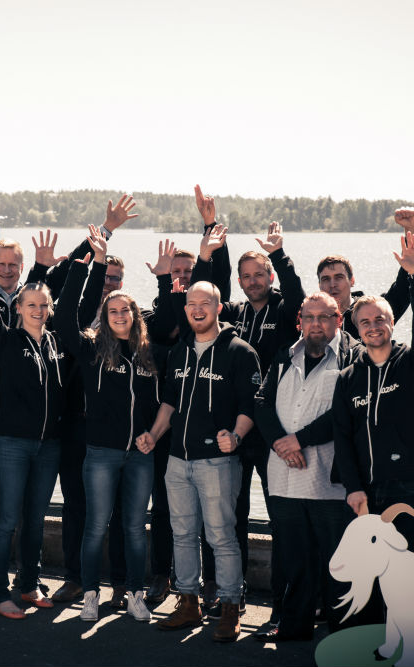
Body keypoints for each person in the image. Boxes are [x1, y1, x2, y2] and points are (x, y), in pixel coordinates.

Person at [188, 220, 305, 614]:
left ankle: (282, 603)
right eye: (247, 276)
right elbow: (202, 295)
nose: (253, 281)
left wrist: (279, 255)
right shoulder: (232, 313)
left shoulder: (285, 311)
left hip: (272, 432)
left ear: (269, 276)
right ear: (239, 281)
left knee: (280, 520)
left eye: (260, 274)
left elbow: (297, 296)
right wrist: (206, 250)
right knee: (224, 518)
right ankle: (223, 593)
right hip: (233, 432)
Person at [137, 280, 262, 643]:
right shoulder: (180, 351)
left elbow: (251, 404)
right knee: (182, 534)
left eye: (205, 303)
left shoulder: (240, 352)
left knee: (221, 536)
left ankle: (230, 606)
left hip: (218, 462)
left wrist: (235, 436)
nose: (197, 309)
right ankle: (188, 602)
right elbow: (169, 402)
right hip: (178, 459)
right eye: (192, 303)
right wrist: (154, 435)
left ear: (218, 308)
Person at [56, 226, 163, 623]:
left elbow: (165, 402)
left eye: (126, 311)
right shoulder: (90, 349)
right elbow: (64, 315)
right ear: (104, 316)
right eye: (113, 311)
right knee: (95, 526)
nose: (119, 316)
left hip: (140, 455)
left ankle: (134, 593)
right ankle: (89, 593)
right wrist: (92, 265)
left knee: (134, 528)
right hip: (100, 453)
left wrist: (153, 434)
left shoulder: (150, 354)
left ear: (135, 316)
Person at [0, 221, 72, 620]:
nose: (38, 310)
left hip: (49, 446)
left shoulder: (55, 343)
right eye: (31, 305)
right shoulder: (7, 341)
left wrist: (93, 260)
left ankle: (28, 583)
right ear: (18, 308)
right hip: (12, 444)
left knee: (35, 520)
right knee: (7, 519)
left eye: (44, 305)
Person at [253, 291, 362, 642]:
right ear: (300, 321)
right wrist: (281, 444)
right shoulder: (285, 355)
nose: (316, 324)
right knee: (295, 559)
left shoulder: (353, 357)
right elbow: (261, 402)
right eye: (309, 317)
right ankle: (294, 627)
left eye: (325, 317)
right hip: (284, 475)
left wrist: (299, 440)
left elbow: (346, 411)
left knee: (338, 562)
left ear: (339, 320)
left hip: (328, 480)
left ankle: (342, 637)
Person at [332, 224, 414, 555]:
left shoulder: (413, 364)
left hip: (408, 488)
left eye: (380, 320)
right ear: (357, 329)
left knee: (406, 571)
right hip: (363, 490)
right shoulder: (348, 377)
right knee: (366, 571)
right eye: (365, 322)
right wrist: (353, 487)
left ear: (391, 323)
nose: (373, 327)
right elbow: (342, 437)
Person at [316, 208, 414, 338]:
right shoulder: (311, 318)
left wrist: (410, 230)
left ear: (352, 281)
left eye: (339, 277)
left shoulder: (373, 311)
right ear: (319, 285)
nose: (332, 284)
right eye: (326, 279)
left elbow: (402, 289)